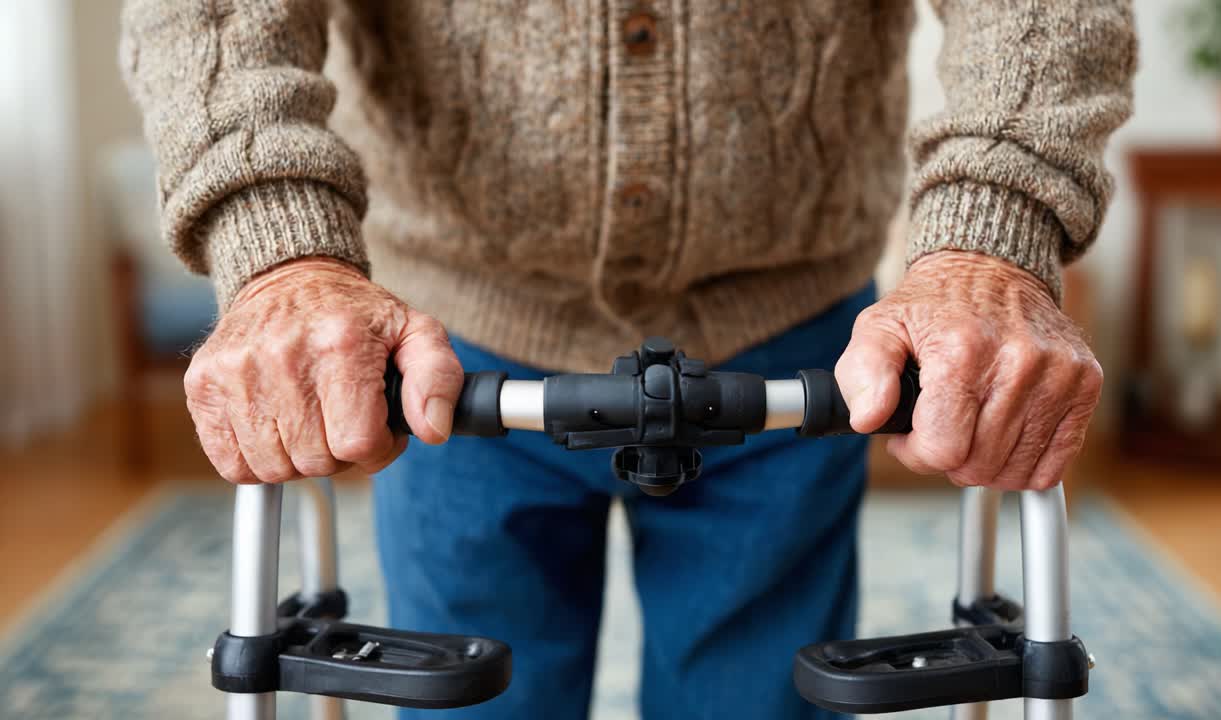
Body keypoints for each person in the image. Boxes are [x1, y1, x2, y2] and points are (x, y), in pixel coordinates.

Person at [121, 2, 1135, 718]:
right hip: (449, 358)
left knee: (758, 708)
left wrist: (990, 236)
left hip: (791, 353)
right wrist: (277, 248)